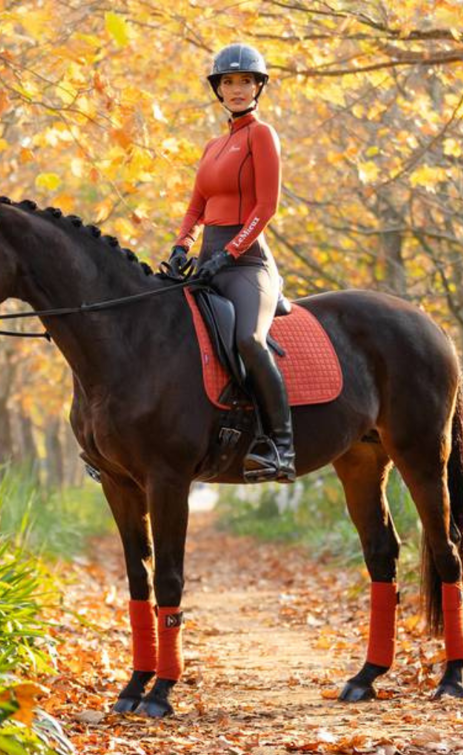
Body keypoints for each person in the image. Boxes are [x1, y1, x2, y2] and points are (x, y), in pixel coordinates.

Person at [166, 43, 295, 483]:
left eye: (245, 81)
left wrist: (229, 253)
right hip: (210, 261)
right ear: (218, 90)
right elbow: (196, 206)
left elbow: (266, 206)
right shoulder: (212, 146)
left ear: (258, 86)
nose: (236, 89)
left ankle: (281, 445)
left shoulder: (263, 135)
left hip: (248, 264)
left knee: (248, 340)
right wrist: (182, 245)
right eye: (228, 82)